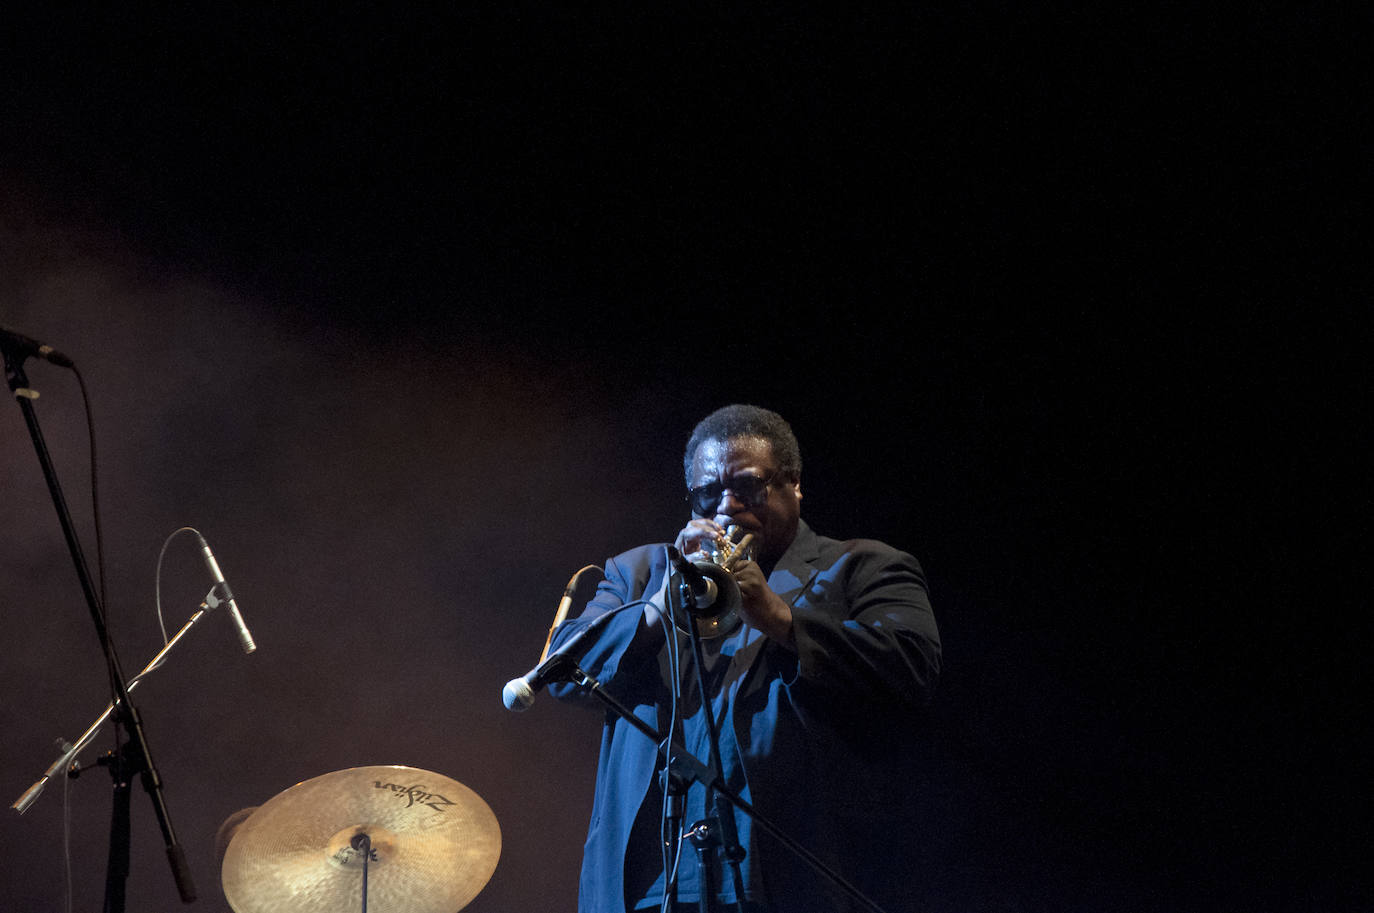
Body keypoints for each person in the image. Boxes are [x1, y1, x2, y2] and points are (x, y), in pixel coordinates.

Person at [547, 404, 941, 913]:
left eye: (748, 488)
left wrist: (779, 619)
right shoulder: (640, 574)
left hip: (790, 877)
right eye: (707, 494)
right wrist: (658, 606)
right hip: (646, 883)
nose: (727, 508)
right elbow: (558, 675)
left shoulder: (863, 567)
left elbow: (913, 666)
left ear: (793, 484)